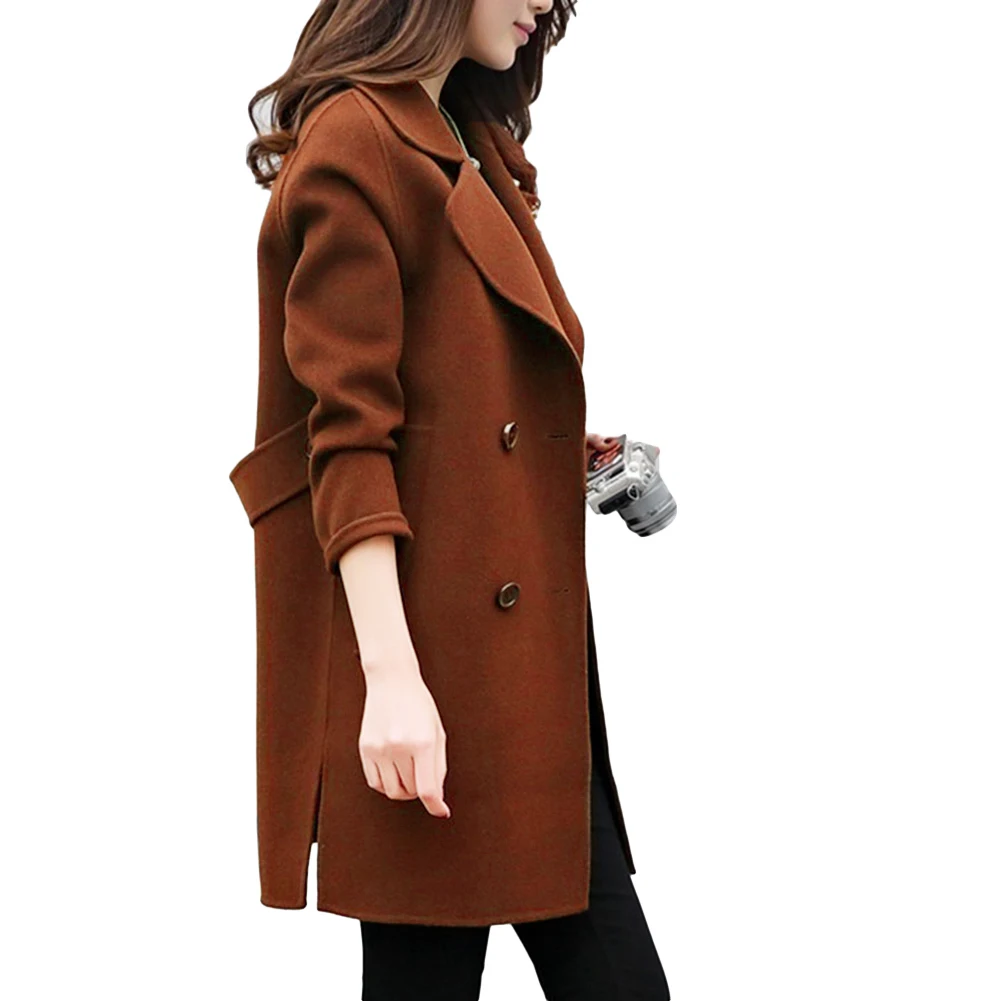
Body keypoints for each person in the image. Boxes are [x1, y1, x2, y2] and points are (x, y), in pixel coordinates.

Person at [235, 2, 671, 998]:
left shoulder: (463, 135)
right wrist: (391, 683)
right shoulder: (356, 138)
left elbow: (451, 399)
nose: (541, 4)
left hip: (520, 678)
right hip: (431, 672)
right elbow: (346, 438)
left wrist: (561, 450)